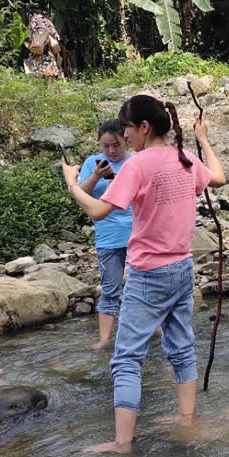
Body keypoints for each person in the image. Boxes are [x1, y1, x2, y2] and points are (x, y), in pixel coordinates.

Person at [62, 95, 226, 454]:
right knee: (181, 348)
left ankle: (123, 444)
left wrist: (72, 184)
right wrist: (204, 140)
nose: (125, 137)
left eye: (127, 129)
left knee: (126, 359)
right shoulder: (186, 158)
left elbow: (99, 211)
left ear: (144, 127)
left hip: (149, 272)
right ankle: (186, 418)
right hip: (183, 268)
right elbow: (219, 177)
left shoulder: (137, 165)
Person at [78, 120, 134, 350]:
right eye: (106, 146)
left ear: (126, 141)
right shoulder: (93, 163)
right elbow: (80, 194)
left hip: (138, 233)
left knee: (145, 285)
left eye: (116, 145)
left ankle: (156, 328)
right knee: (110, 288)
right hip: (108, 234)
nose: (111, 151)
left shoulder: (135, 162)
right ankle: (104, 339)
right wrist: (95, 177)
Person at [25, 13, 63, 81]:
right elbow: (54, 34)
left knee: (36, 65)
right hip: (46, 49)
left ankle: (37, 83)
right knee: (49, 66)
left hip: (37, 47)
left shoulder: (33, 19)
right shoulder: (47, 21)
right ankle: (48, 86)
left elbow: (31, 32)